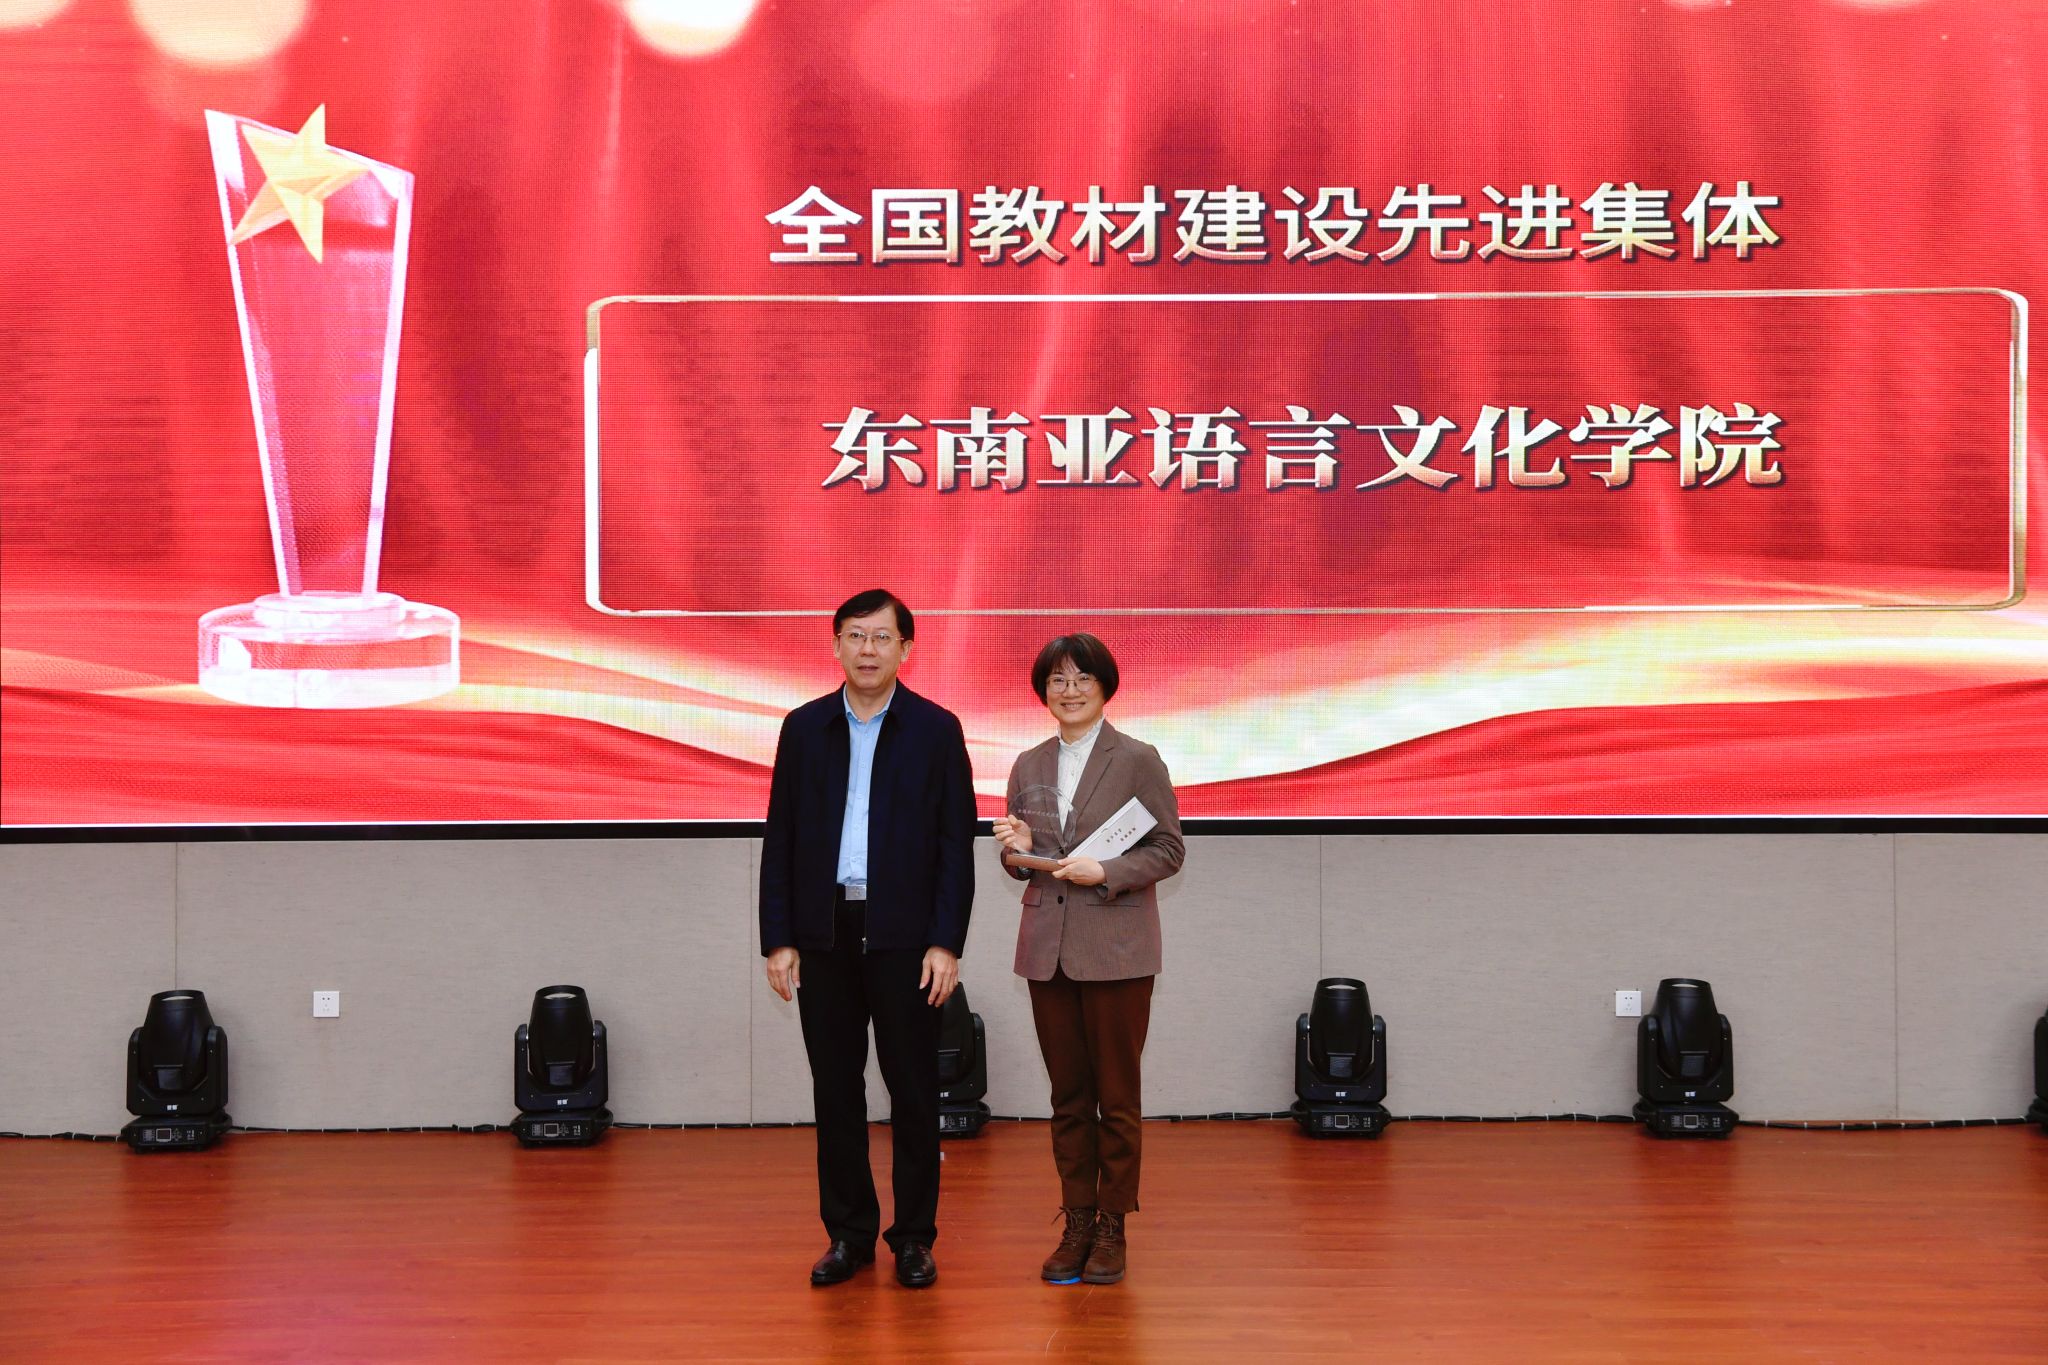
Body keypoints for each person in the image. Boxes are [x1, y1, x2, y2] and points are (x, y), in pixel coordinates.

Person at [759, 588, 976, 1289]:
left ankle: (913, 1238)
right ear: (835, 645)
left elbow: (955, 846)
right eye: (855, 635)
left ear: (906, 648)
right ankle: (848, 1234)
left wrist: (945, 941)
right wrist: (778, 937)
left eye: (882, 637)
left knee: (913, 1089)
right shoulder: (804, 728)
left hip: (906, 936)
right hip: (823, 932)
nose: (868, 649)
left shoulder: (936, 729)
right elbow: (781, 837)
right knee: (835, 1090)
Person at [990, 633, 1183, 1286]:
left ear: (1105, 687)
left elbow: (1168, 849)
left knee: (1117, 1098)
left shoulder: (1138, 759)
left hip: (1118, 950)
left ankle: (1112, 1223)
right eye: (1057, 680)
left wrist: (1108, 871)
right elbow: (1021, 860)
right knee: (1068, 1097)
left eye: (1082, 678)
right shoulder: (1029, 763)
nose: (1068, 690)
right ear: (1043, 690)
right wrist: (1016, 846)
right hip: (1048, 951)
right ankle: (1076, 1219)